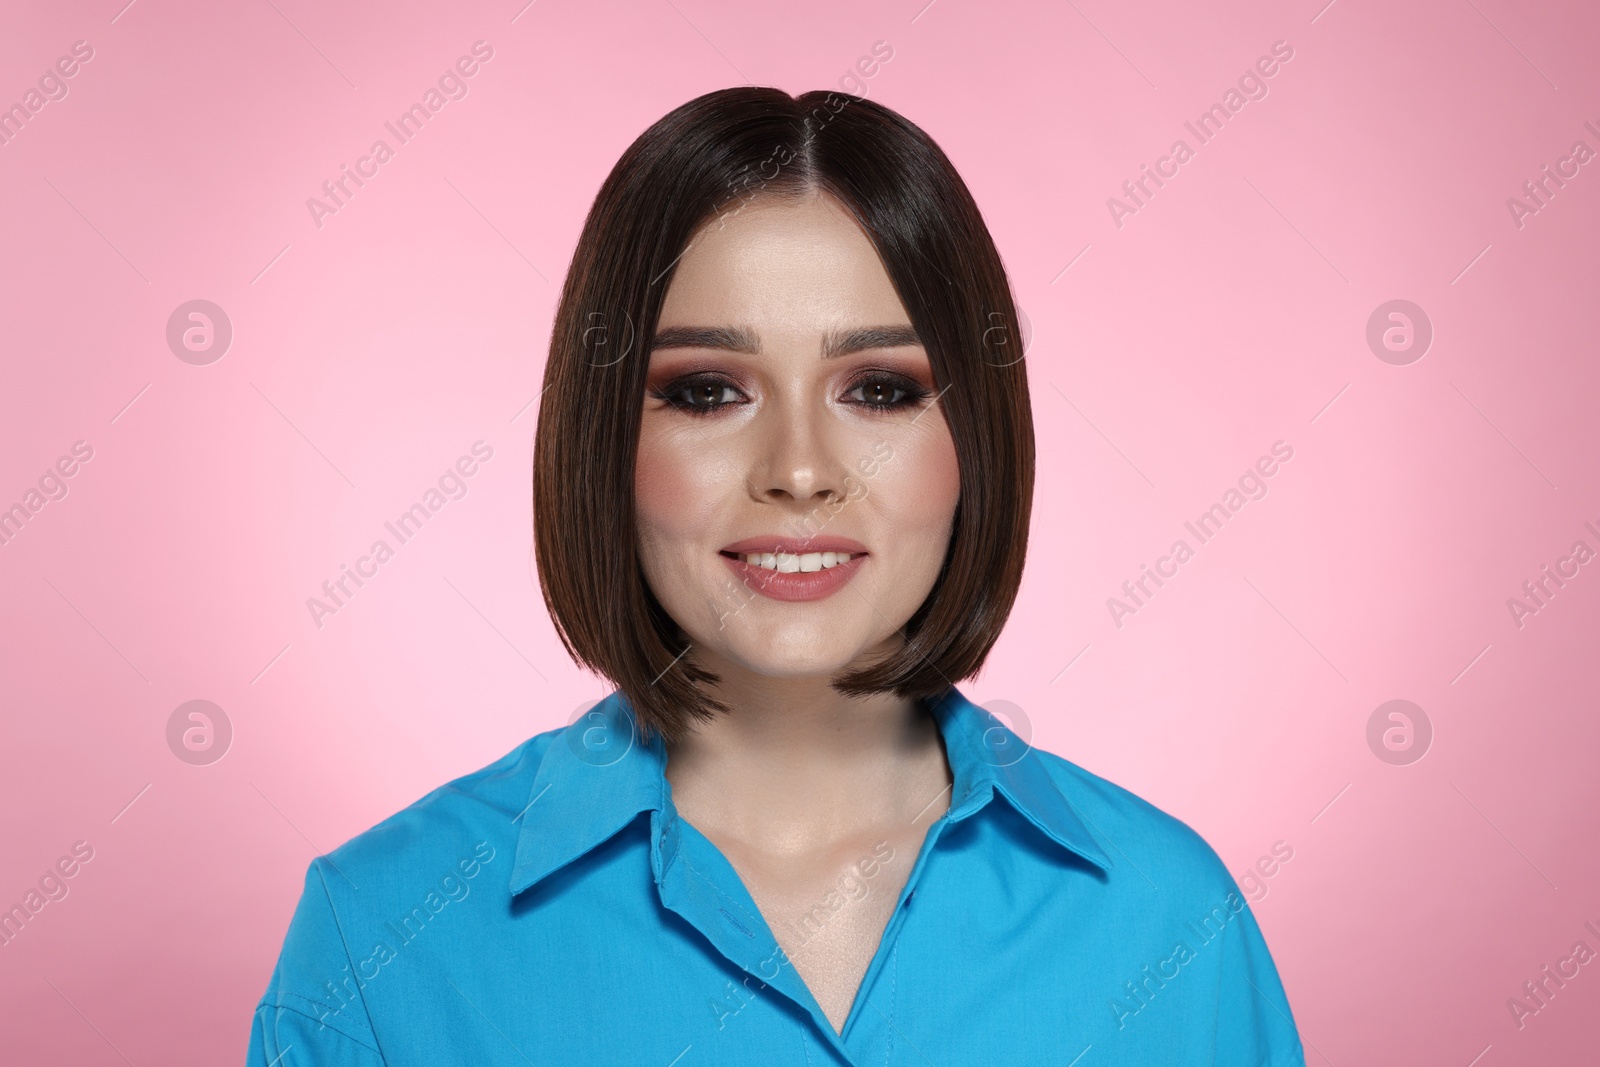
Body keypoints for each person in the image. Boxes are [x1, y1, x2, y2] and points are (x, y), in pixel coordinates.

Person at [247, 86, 1307, 1066]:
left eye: (881, 390)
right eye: (708, 390)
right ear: (604, 438)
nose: (798, 471)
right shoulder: (382, 936)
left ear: (973, 437)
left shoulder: (1169, 921)